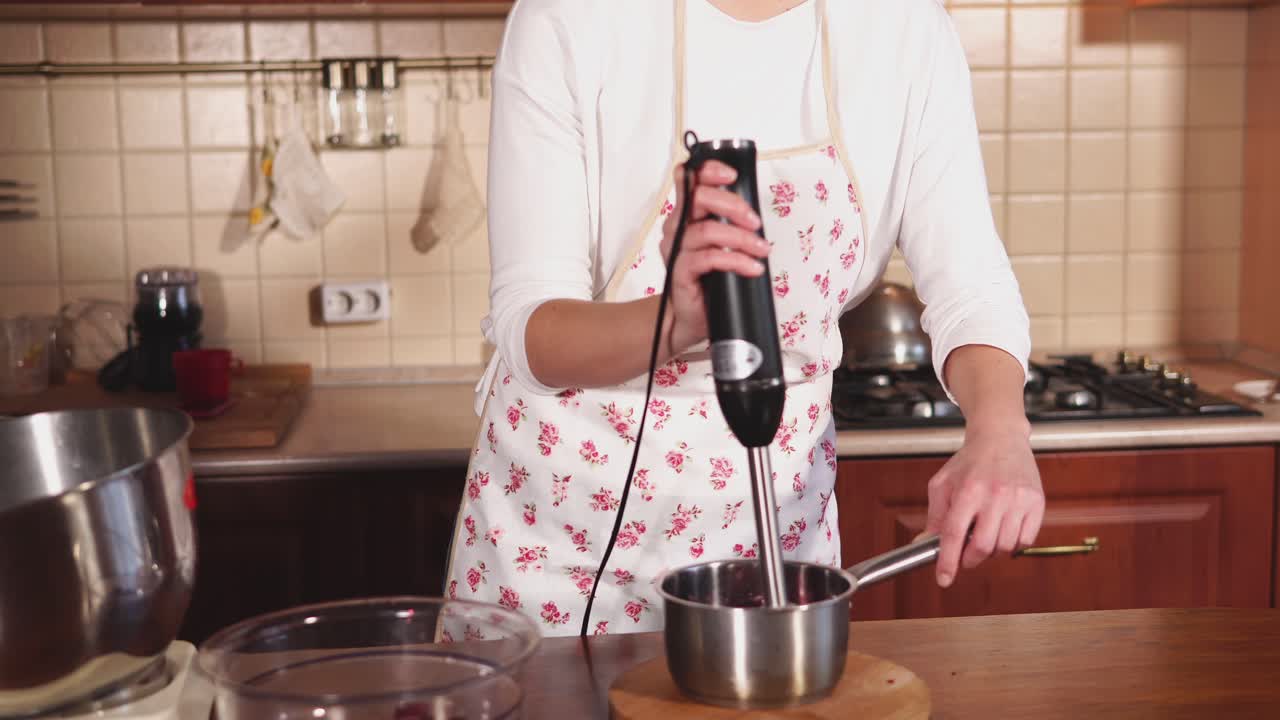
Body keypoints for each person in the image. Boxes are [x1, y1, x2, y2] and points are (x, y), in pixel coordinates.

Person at [444, 0, 1045, 637]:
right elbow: (531, 325)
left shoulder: (905, 27)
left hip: (773, 529)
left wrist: (1001, 431)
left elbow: (971, 288)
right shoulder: (571, 17)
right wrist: (680, 318)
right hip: (566, 539)